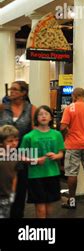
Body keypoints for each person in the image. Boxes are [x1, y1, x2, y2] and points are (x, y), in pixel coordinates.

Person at [19, 106, 64, 218]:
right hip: (35, 175)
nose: (43, 116)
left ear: (50, 117)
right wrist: (34, 160)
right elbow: (20, 156)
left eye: (46, 114)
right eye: (40, 114)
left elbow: (61, 153)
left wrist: (56, 156)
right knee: (40, 206)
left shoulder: (56, 134)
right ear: (36, 118)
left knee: (49, 206)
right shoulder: (28, 137)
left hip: (52, 173)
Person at [0, 81, 36, 218]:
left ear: (23, 93)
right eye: (11, 89)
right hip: (3, 158)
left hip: (22, 157)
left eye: (15, 89)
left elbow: (35, 133)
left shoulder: (31, 109)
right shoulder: (3, 108)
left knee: (19, 195)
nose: (11, 91)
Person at [60, 88, 84, 209]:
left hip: (73, 145)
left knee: (72, 173)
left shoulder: (70, 108)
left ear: (74, 95)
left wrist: (66, 134)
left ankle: (71, 201)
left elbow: (62, 127)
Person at [0, 125, 20, 218]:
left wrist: (13, 192)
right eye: (10, 141)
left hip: (7, 196)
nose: (14, 143)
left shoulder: (14, 156)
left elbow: (14, 175)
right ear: (1, 142)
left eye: (16, 140)